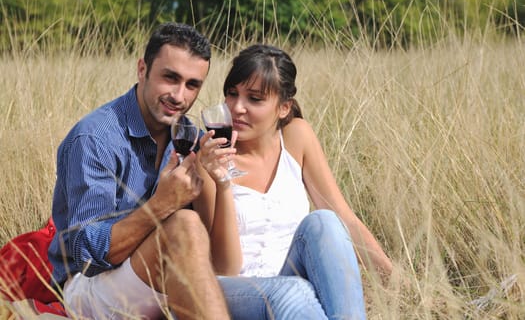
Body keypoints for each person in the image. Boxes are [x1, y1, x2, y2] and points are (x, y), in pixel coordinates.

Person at [48, 23, 333, 320]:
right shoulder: (95, 138)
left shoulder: (190, 137)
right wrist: (162, 204)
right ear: (143, 69)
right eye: (170, 78)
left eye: (192, 84)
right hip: (91, 288)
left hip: (159, 280)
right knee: (184, 224)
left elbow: (218, 258)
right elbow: (86, 255)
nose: (179, 95)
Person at [194, 44, 394, 319]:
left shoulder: (297, 137)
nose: (237, 108)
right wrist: (224, 182)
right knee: (294, 291)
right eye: (232, 94)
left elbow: (343, 218)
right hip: (235, 292)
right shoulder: (209, 159)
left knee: (324, 221)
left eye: (254, 99)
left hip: (293, 282)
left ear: (283, 107)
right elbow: (224, 267)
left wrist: (397, 281)